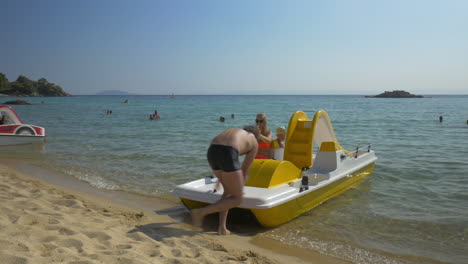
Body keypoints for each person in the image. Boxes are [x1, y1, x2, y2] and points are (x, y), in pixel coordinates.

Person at [191, 125, 259, 235]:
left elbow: (222, 150)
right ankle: (201, 212)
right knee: (237, 199)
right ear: (257, 135)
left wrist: (221, 181)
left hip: (212, 150)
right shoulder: (254, 141)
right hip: (228, 152)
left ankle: (222, 228)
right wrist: (240, 186)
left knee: (227, 193)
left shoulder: (235, 132)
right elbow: (244, 170)